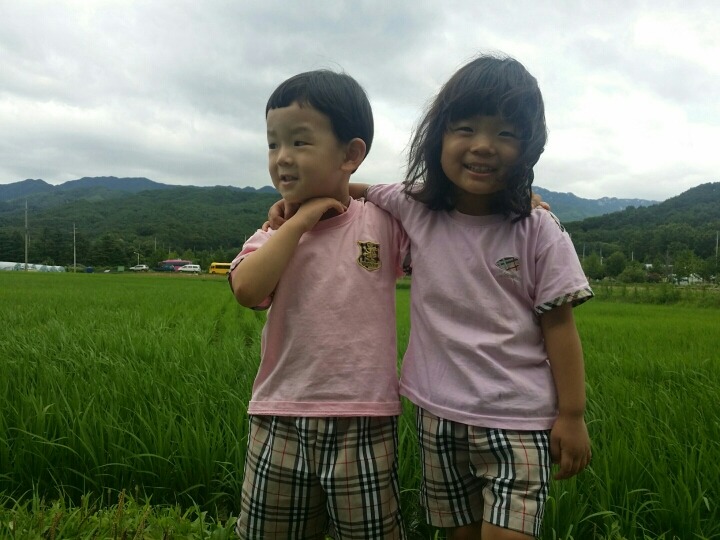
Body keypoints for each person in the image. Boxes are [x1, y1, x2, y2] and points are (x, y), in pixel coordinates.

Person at [269, 53, 593, 539]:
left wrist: (572, 415)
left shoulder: (538, 229)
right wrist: (299, 203)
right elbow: (351, 188)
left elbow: (560, 325)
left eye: (506, 133)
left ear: (529, 146)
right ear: (438, 136)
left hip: (520, 418)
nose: (482, 146)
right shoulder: (415, 206)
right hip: (437, 415)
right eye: (465, 129)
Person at [228, 69, 409, 539]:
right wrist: (300, 221)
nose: (282, 158)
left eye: (299, 142)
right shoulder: (273, 233)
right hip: (280, 414)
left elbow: (440, 220)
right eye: (273, 144)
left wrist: (505, 205)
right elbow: (247, 290)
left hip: (365, 418)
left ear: (351, 155)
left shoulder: (382, 224)